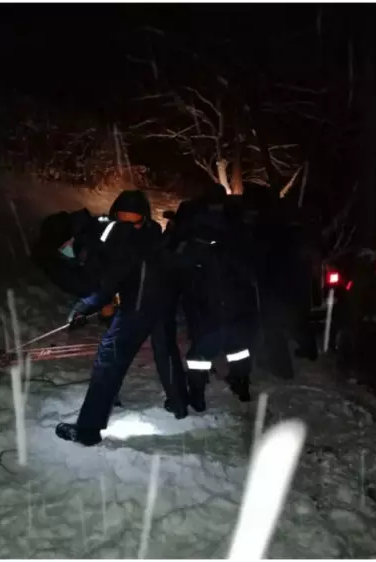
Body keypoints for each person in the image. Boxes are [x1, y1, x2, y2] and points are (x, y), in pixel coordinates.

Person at [55, 190, 180, 445]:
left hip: (139, 309)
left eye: (133, 220)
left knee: (108, 362)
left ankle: (88, 431)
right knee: (166, 354)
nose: (127, 226)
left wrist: (84, 306)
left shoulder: (125, 241)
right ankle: (180, 404)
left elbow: (109, 281)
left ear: (144, 218)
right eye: (122, 219)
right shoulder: (153, 233)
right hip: (161, 304)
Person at [168, 184, 259, 404]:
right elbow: (248, 269)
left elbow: (177, 265)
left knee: (201, 351)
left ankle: (197, 394)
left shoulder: (194, 231)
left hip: (205, 305)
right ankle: (241, 384)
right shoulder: (235, 228)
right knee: (237, 348)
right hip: (234, 304)